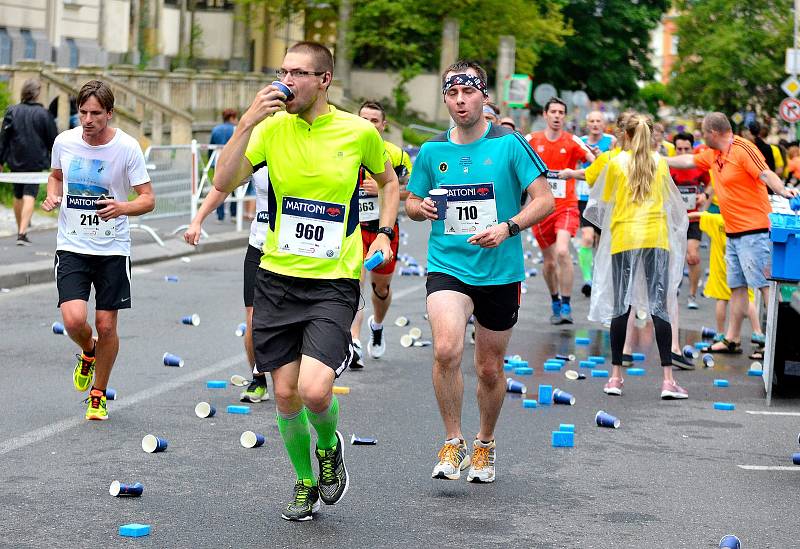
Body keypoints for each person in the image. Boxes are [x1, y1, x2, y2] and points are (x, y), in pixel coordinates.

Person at [212, 41, 399, 521]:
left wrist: (381, 235)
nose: (287, 81)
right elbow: (223, 181)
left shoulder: (358, 132)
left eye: (298, 73)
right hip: (277, 278)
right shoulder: (270, 129)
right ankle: (304, 481)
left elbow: (390, 180)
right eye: (283, 71)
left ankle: (330, 445)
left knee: (316, 391)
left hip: (333, 280)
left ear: (324, 80)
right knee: (286, 393)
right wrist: (247, 121)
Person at [406, 60, 554, 484]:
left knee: (489, 368)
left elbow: (543, 200)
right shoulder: (432, 151)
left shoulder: (509, 144)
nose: (459, 102)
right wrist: (422, 208)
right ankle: (453, 440)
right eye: (451, 94)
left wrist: (508, 227)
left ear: (483, 96)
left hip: (499, 269)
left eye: (467, 93)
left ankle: (485, 443)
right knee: (446, 349)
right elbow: (412, 203)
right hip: (449, 265)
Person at [42, 80, 155, 420]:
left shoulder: (127, 147)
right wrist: (53, 194)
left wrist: (122, 207)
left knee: (106, 326)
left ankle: (98, 394)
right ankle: (88, 352)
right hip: (73, 244)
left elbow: (148, 199)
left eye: (95, 114)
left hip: (113, 249)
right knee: (75, 319)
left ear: (109, 113)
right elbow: (56, 176)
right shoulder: (65, 141)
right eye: (82, 112)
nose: (87, 120)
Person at [667, 112, 798, 354]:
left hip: (754, 230)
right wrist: (657, 160)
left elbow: (766, 173)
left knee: (764, 286)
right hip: (734, 232)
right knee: (737, 286)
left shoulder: (742, 149)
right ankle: (732, 338)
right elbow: (687, 161)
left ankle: (779, 343)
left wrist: (783, 190)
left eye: (703, 133)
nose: (702, 137)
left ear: (713, 133)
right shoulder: (714, 155)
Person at [586, 113, 689, 399]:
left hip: (623, 237)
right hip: (656, 238)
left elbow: (603, 201)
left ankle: (615, 376)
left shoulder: (615, 163)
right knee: (660, 306)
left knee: (621, 305)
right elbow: (672, 204)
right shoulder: (660, 163)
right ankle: (668, 380)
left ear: (626, 136)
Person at [184, 166, 271, 403]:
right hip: (260, 246)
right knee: (254, 319)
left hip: (294, 253)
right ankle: (259, 379)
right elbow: (223, 186)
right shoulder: (260, 149)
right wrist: (198, 219)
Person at [350, 100, 413, 367]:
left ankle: (377, 325)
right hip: (353, 229)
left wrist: (385, 191)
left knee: (381, 288)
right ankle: (353, 341)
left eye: (374, 120)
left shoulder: (397, 156)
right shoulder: (346, 149)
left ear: (383, 125)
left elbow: (413, 193)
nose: (369, 124)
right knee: (355, 283)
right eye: (364, 119)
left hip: (384, 231)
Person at [527, 97, 594, 324]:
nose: (557, 116)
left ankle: (566, 306)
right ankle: (555, 299)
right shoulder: (531, 140)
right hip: (539, 209)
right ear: (545, 115)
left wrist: (572, 173)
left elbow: (596, 168)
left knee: (563, 252)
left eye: (561, 112)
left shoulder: (573, 141)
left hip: (566, 207)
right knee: (549, 262)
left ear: (565, 117)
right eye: (553, 111)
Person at [689, 210, 762, 351]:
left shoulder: (717, 220)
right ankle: (757, 331)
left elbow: (699, 215)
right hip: (741, 266)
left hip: (721, 269)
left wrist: (683, 215)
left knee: (721, 300)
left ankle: (721, 334)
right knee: (748, 299)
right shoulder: (745, 220)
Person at [0, 78, 59, 245]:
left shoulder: (12, 111)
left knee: (18, 195)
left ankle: (21, 229)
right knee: (29, 194)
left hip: (15, 160)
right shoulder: (44, 114)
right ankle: (22, 232)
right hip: (35, 161)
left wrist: (0, 160)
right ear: (37, 94)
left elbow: (4, 139)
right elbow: (53, 141)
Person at [670, 131, 710, 310]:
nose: (683, 152)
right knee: (671, 256)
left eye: (686, 148)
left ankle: (692, 295)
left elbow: (711, 183)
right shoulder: (668, 165)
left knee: (692, 256)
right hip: (672, 217)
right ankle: (670, 289)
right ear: (674, 148)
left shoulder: (699, 165)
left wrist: (704, 195)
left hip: (693, 217)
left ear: (692, 148)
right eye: (679, 149)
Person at [578, 110, 616, 297]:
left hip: (604, 200)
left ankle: (600, 278)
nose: (595, 124)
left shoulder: (611, 142)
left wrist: (601, 157)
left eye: (598, 121)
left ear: (604, 124)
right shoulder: (580, 141)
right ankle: (588, 279)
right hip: (584, 198)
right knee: (586, 237)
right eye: (591, 120)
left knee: (602, 244)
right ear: (587, 123)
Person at [210, 108, 239, 222]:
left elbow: (211, 145)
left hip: (218, 159)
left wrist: (210, 161)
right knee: (234, 189)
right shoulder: (235, 129)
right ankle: (233, 214)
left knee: (218, 188)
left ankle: (220, 215)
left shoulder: (216, 129)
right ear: (231, 118)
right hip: (233, 160)